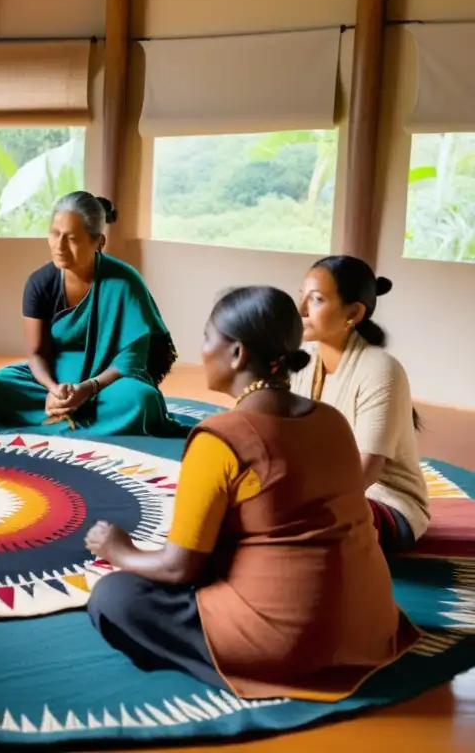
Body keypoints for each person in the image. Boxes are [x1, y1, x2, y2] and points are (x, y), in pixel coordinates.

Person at [84, 285, 419, 701]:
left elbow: (178, 569)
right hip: (369, 627)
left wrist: (117, 549)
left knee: (114, 598)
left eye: (208, 338)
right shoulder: (332, 421)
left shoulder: (221, 439)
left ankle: (248, 669)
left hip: (287, 644)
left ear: (238, 354)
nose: (202, 349)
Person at [0, 191, 183, 437]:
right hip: (55, 375)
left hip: (107, 381)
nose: (59, 246)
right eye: (55, 234)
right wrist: (52, 390)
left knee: (143, 401)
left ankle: (60, 418)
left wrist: (88, 388)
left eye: (72, 239)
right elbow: (37, 352)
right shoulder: (40, 283)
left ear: (98, 241)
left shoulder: (125, 282)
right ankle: (69, 414)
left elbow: (130, 360)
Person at [292, 255, 429, 552]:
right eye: (301, 297)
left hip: (381, 503)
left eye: (315, 300)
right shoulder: (303, 361)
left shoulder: (381, 370)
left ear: (353, 312)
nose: (300, 310)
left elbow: (362, 476)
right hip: (316, 493)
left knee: (289, 522)